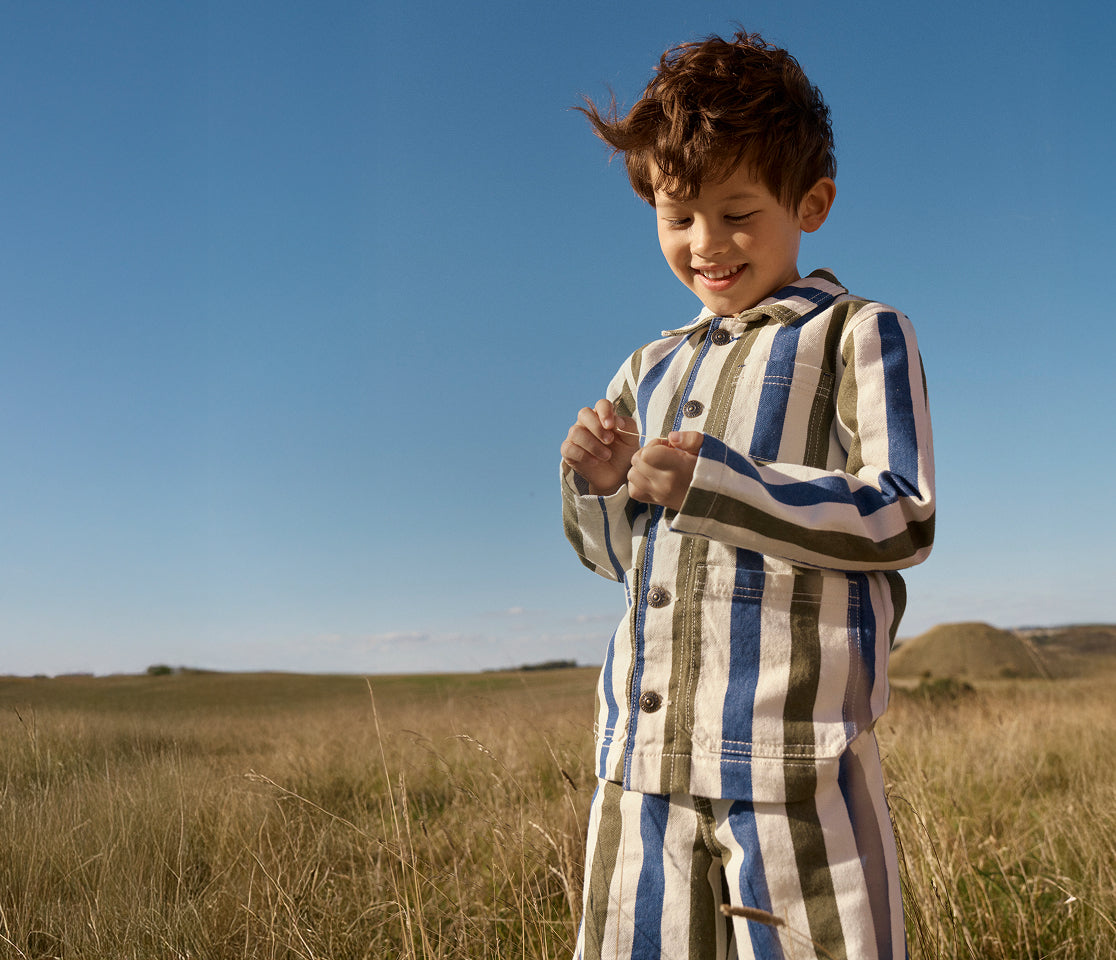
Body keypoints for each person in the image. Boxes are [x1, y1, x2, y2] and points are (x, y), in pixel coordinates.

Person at [559, 30, 935, 960]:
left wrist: (716, 481)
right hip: (640, 768)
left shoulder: (858, 333)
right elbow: (618, 559)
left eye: (737, 213)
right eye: (677, 216)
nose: (707, 246)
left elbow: (902, 512)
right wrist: (601, 487)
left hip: (794, 764)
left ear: (811, 203)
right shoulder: (647, 366)